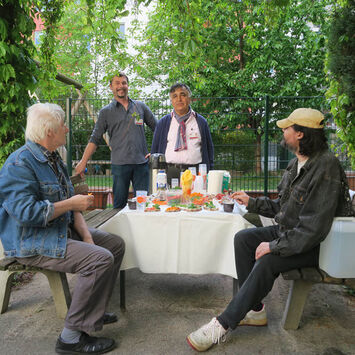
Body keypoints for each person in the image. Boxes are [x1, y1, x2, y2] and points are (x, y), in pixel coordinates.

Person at [186, 108, 354, 352]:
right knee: (243, 239)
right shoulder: (298, 163)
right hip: (291, 233)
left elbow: (313, 230)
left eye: (287, 128)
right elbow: (283, 208)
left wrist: (273, 246)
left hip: (317, 246)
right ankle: (254, 311)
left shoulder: (326, 167)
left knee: (267, 261)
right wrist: (251, 202)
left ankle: (222, 324)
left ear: (300, 134)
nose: (282, 131)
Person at [0, 103, 125, 354]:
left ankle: (93, 314)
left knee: (114, 245)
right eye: (62, 126)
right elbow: (28, 214)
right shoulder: (19, 164)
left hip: (57, 231)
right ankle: (70, 337)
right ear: (49, 131)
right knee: (100, 260)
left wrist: (87, 237)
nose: (66, 129)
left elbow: (72, 204)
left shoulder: (53, 158)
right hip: (32, 241)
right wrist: (70, 203)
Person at [76, 72, 157, 209]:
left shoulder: (140, 107)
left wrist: (155, 152)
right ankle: (119, 231)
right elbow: (94, 139)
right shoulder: (106, 112)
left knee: (143, 205)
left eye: (124, 83)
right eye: (117, 83)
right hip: (120, 166)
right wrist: (83, 162)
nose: (121, 86)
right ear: (111, 87)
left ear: (128, 85)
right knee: (119, 206)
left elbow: (159, 128)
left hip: (141, 165)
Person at [150, 83, 214, 186]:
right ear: (171, 101)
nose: (179, 99)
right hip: (170, 172)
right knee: (170, 201)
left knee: (194, 201)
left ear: (189, 98)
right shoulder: (163, 123)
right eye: (175, 96)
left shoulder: (201, 122)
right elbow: (155, 150)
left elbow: (209, 150)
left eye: (183, 95)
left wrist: (209, 173)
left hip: (195, 174)